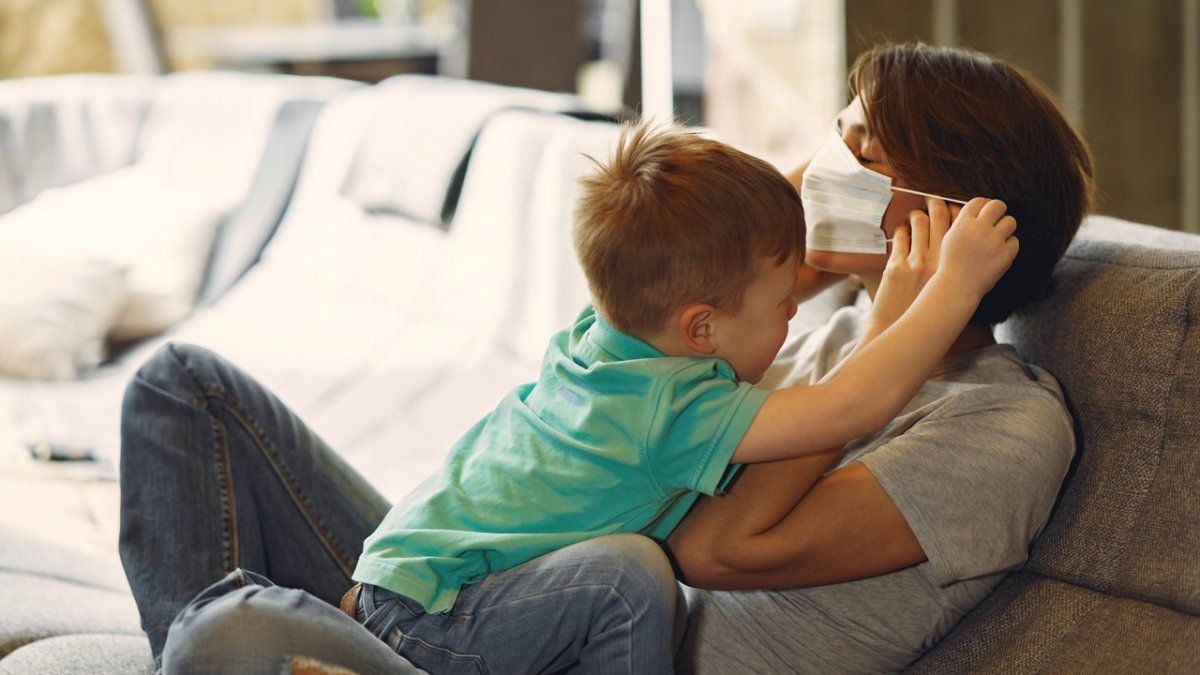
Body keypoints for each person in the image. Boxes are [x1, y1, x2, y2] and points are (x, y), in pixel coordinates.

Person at [119, 118, 1016, 674]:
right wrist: (931, 291)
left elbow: (727, 266)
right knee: (182, 396)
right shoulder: (682, 402)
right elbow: (852, 401)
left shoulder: (620, 331)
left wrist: (853, 272)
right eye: (785, 305)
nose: (796, 312)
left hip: (425, 581)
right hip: (442, 613)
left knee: (220, 618)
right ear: (703, 325)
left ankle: (248, 649)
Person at [666, 42, 1095, 673]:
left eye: (861, 154)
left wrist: (898, 324)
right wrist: (779, 256)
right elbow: (640, 381)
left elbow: (714, 549)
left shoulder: (1005, 424)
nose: (821, 173)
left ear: (954, 216)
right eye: (834, 138)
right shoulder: (839, 333)